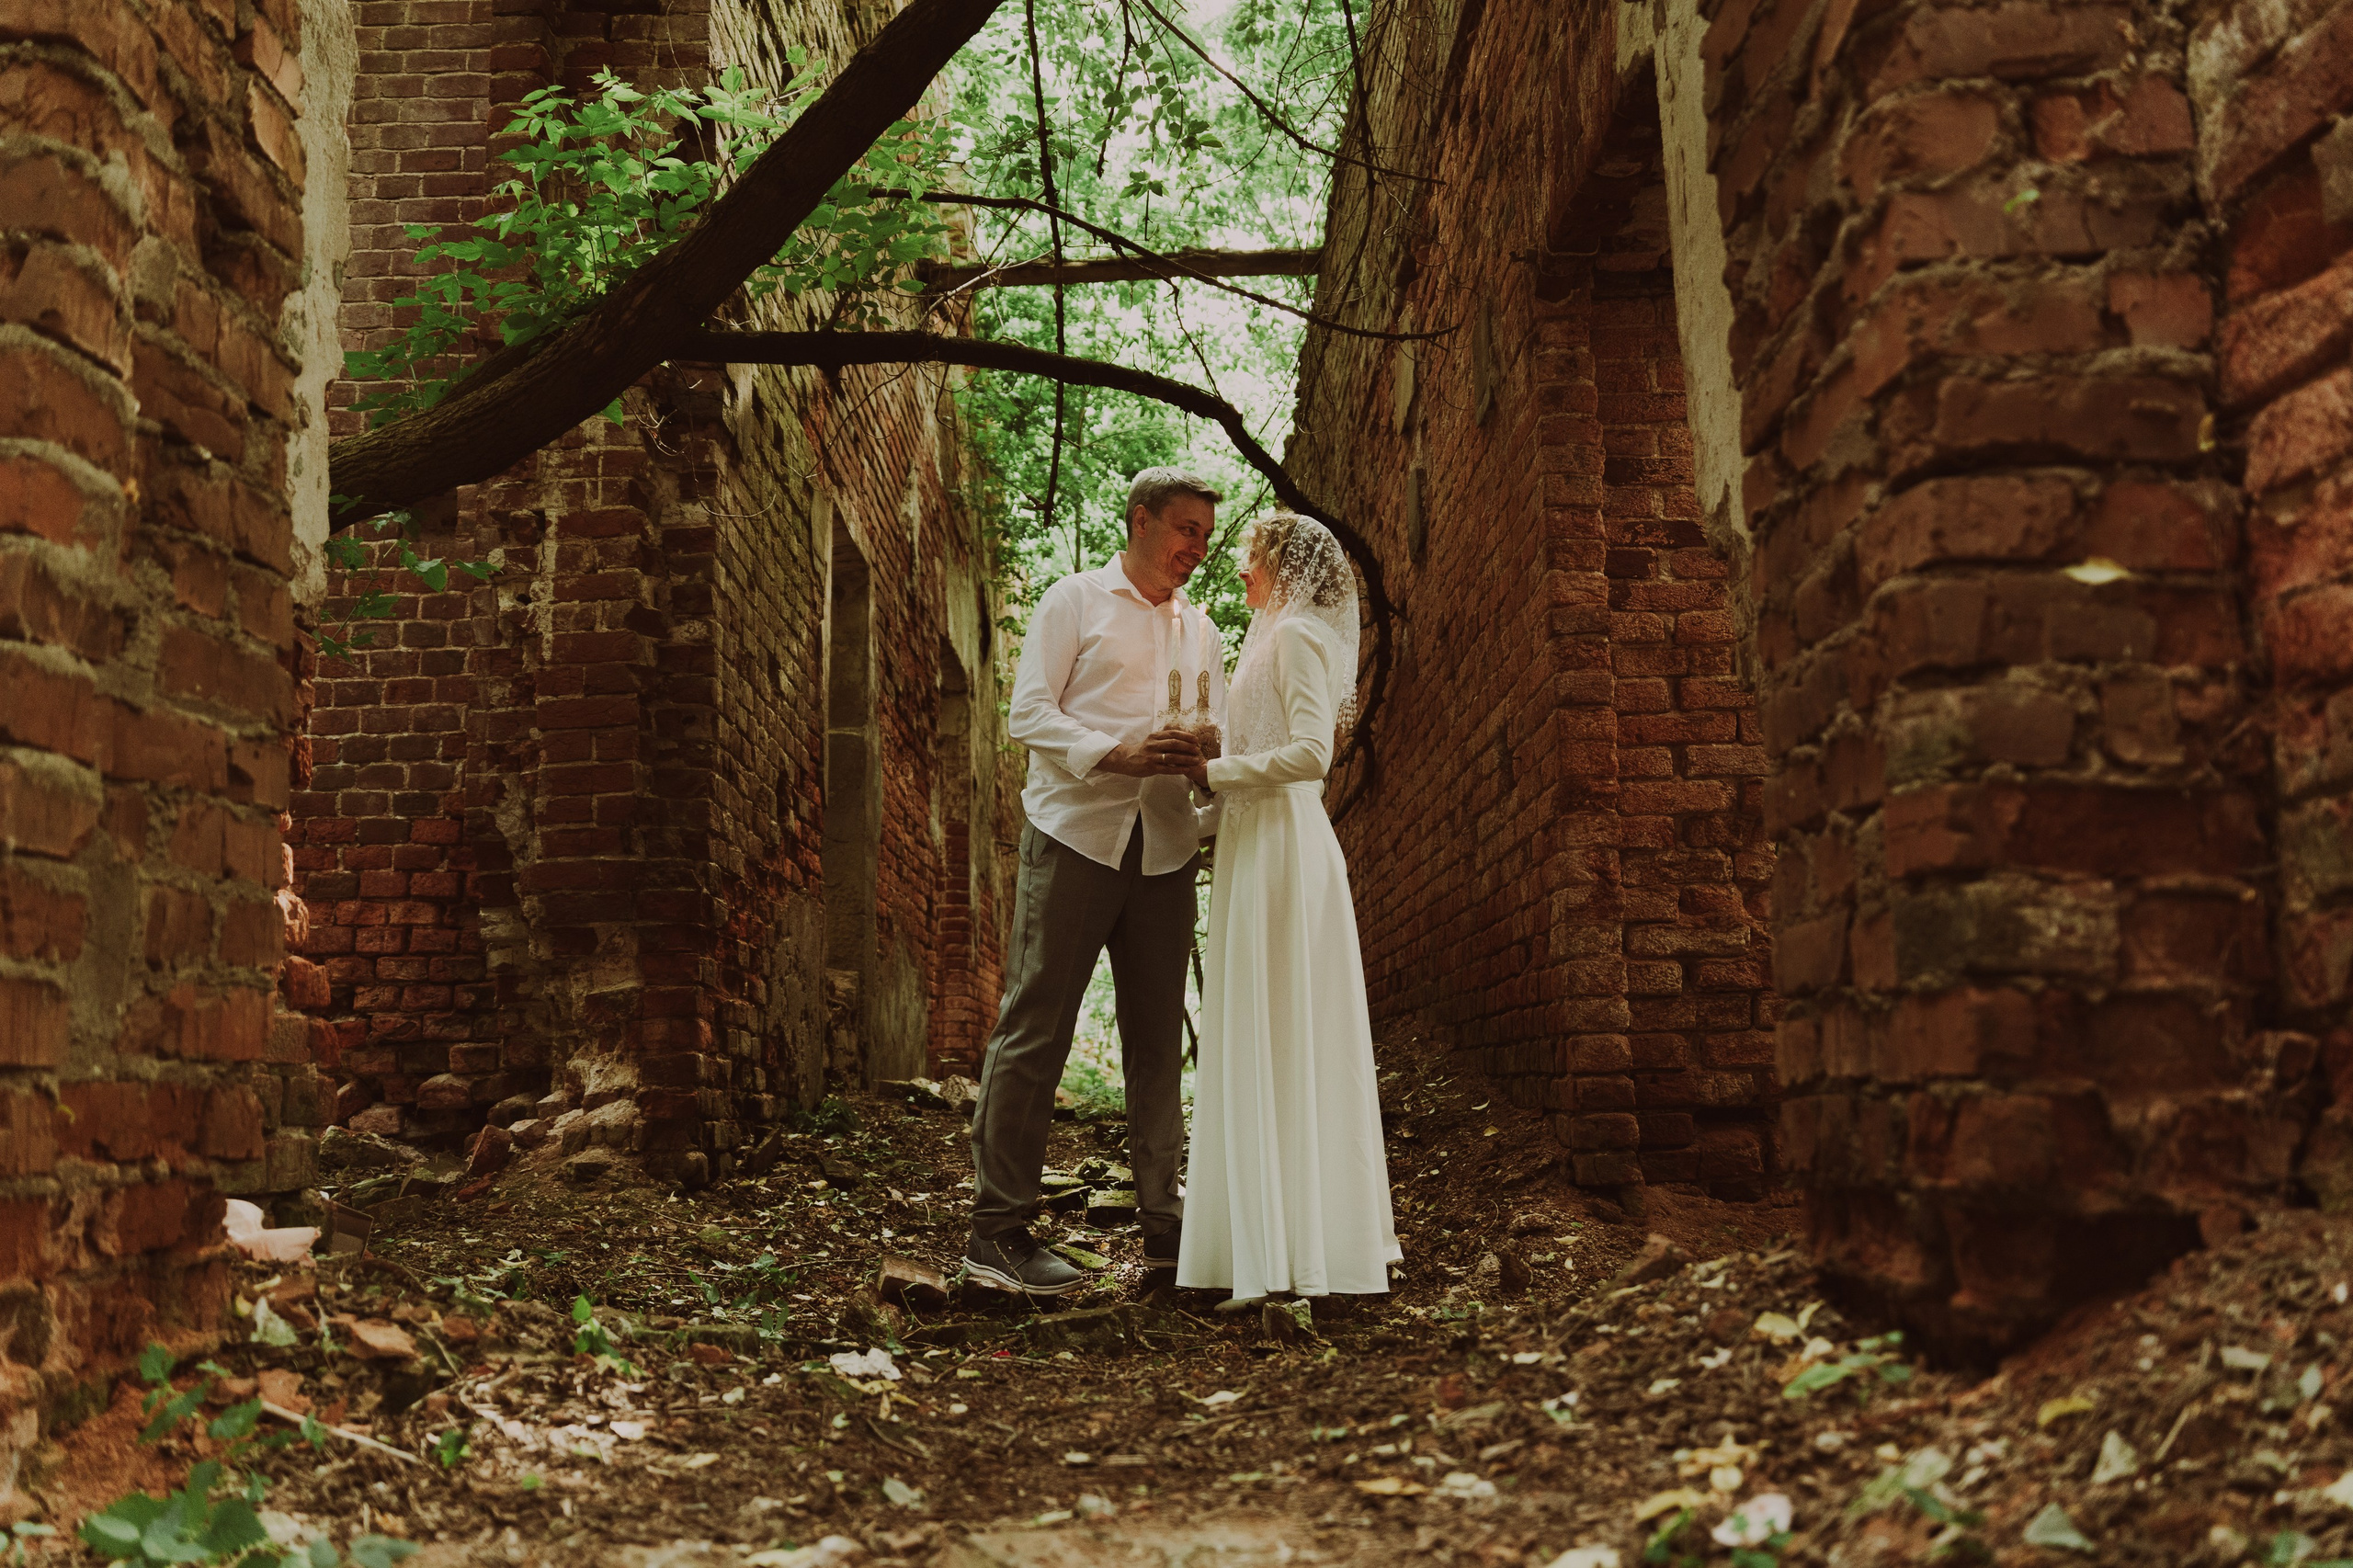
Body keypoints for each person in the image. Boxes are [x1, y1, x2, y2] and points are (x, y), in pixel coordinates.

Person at [963, 468, 1227, 1296]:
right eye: (1185, 529)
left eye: (1206, 536)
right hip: (1074, 835)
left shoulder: (1206, 632)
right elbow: (1029, 713)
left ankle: (1165, 1236)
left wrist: (1208, 757)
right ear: (1142, 520)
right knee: (1036, 1027)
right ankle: (997, 1231)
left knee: (1158, 1045)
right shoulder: (1073, 600)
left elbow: (1215, 738)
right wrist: (1113, 754)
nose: (1197, 549)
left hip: (1167, 848)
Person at [1177, 511, 1400, 1304]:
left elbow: (1312, 755)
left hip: (1285, 851)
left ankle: (1300, 1245)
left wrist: (1218, 771)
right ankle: (1253, 1240)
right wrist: (1194, 808)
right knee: (1255, 1025)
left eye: (1250, 556)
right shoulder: (1266, 641)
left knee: (1288, 1026)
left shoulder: (1301, 636)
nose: (1240, 570)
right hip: (1248, 846)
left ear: (1289, 567)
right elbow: (1241, 767)